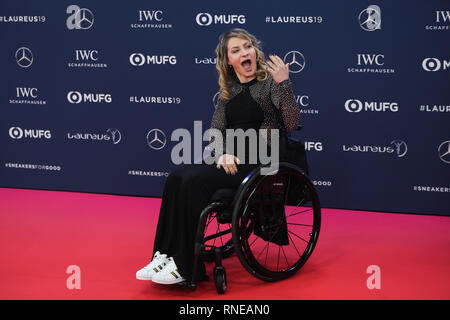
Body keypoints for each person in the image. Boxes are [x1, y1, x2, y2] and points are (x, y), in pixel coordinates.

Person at [136, 28, 300, 285]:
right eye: (236, 50)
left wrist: (285, 83)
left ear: (254, 51)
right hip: (230, 160)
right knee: (177, 177)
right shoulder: (229, 92)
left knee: (193, 182)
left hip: (258, 163)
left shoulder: (270, 83)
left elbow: (290, 123)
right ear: (229, 61)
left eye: (247, 46)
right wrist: (222, 152)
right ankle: (165, 255)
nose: (244, 52)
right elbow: (216, 131)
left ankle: (185, 267)